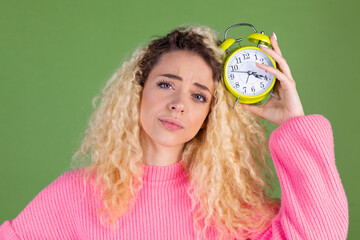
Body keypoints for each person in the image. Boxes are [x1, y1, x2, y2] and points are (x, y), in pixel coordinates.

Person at [0, 25, 348, 240]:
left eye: (199, 95)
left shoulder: (229, 209)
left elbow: (323, 234)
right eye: (166, 84)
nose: (179, 103)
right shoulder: (76, 195)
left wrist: (294, 123)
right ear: (138, 91)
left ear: (208, 116)